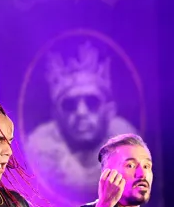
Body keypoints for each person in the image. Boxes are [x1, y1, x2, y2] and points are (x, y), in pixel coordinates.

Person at [27, 42, 138, 198]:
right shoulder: (39, 153)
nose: (81, 112)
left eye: (92, 102)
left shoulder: (130, 148)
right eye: (69, 104)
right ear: (57, 116)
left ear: (109, 111)